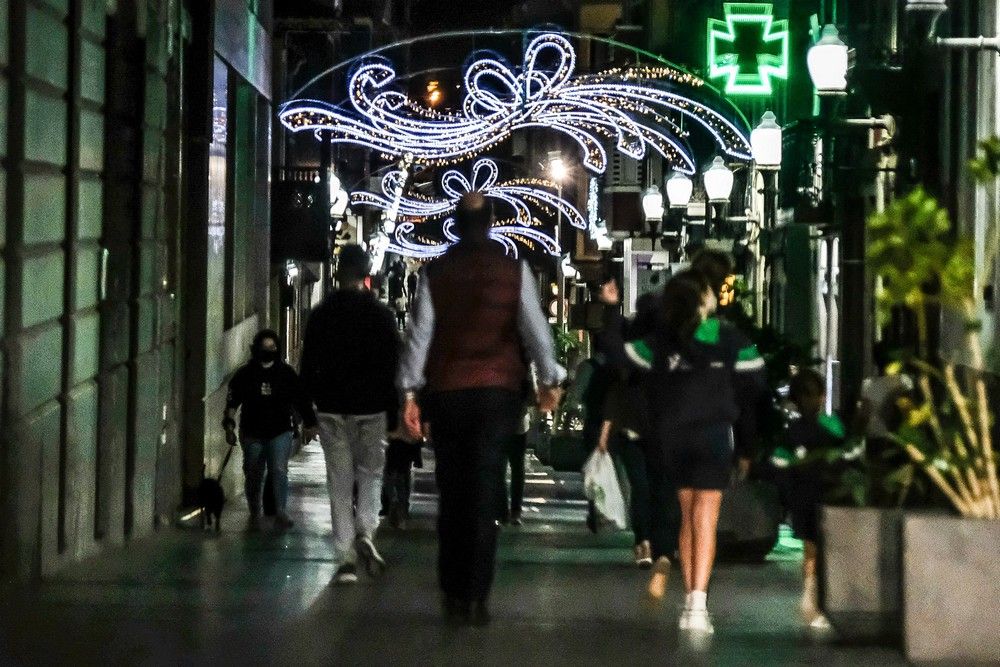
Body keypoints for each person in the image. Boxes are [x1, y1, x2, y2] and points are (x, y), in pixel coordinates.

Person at [398, 192, 565, 626]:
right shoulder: (513, 272)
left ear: (455, 223)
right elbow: (534, 328)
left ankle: (452, 587)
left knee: (452, 490)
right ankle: (476, 593)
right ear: (491, 222)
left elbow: (421, 335)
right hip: (497, 393)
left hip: (448, 392)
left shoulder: (436, 273)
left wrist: (410, 393)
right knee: (485, 490)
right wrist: (550, 378)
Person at [640, 270, 766, 634]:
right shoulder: (723, 334)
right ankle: (698, 603)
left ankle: (687, 599)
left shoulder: (665, 340)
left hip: (676, 437)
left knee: (686, 515)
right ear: (702, 300)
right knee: (705, 517)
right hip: (713, 434)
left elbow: (636, 367)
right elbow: (755, 377)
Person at [300, 244, 401, 585]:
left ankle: (345, 558)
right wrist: (396, 410)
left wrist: (307, 413)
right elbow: (393, 366)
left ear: (337, 272)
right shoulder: (381, 316)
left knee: (339, 483)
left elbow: (307, 365)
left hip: (330, 408)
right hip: (371, 409)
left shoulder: (320, 315)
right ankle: (366, 531)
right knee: (371, 473)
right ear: (367, 274)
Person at [224, 329, 317, 531]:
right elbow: (232, 402)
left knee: (278, 469)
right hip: (252, 432)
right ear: (256, 349)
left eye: (272, 347)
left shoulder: (286, 374)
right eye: (264, 348)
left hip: (280, 430)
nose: (268, 351)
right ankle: (255, 508)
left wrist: (310, 423)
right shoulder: (245, 374)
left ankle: (281, 511)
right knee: (253, 472)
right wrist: (229, 425)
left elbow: (301, 399)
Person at [786, 368, 844, 629]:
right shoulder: (831, 426)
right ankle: (817, 600)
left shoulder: (792, 430)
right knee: (824, 547)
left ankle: (809, 596)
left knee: (810, 548)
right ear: (823, 397)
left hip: (802, 495)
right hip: (828, 494)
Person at [381, 423, 423, 529]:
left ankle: (393, 502)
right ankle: (402, 510)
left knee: (390, 478)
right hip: (407, 448)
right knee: (402, 480)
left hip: (395, 447)